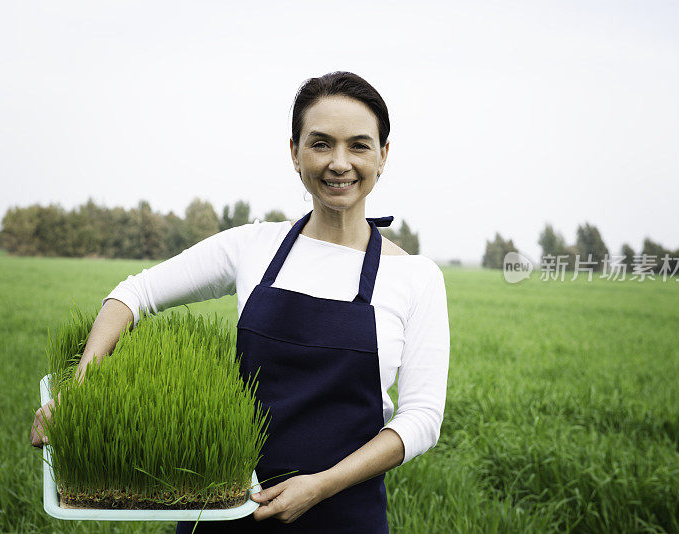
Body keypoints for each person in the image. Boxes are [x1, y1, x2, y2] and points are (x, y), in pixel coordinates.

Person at [31, 71, 450, 533]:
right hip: (226, 504)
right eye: (320, 143)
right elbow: (132, 294)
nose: (338, 162)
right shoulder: (254, 246)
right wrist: (79, 390)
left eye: (358, 145)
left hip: (343, 513)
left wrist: (321, 485)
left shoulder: (414, 277)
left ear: (383, 155)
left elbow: (423, 418)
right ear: (294, 152)